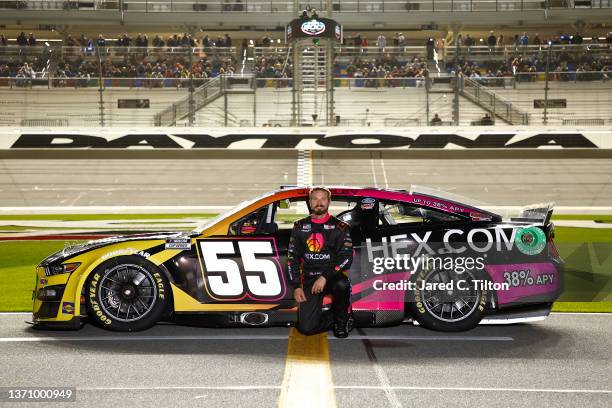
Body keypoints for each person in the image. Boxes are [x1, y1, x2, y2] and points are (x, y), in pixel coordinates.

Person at [287, 187, 354, 338]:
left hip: (331, 276)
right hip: (310, 278)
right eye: (315, 199)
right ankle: (336, 316)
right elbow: (293, 258)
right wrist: (297, 286)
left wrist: (325, 277)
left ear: (329, 202)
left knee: (342, 284)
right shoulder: (299, 227)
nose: (319, 202)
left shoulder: (340, 227)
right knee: (306, 328)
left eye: (323, 199)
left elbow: (346, 258)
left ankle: (341, 323)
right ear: (310, 202)